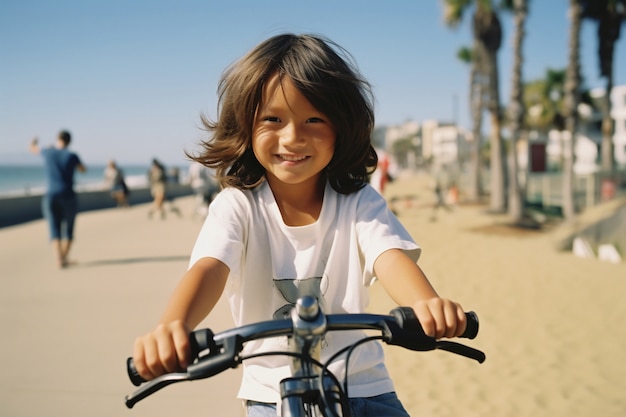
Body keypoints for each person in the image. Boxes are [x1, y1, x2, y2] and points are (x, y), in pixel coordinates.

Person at [132, 34, 468, 417]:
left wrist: (424, 302)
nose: (293, 137)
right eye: (272, 119)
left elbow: (388, 256)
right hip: (271, 395)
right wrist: (172, 325)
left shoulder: (358, 202)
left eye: (314, 119)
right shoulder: (237, 207)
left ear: (342, 127)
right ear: (244, 124)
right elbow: (209, 268)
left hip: (363, 385)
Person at [29, 130, 86, 268]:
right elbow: (83, 170)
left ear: (57, 139)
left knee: (54, 228)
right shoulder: (72, 156)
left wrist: (34, 141)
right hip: (68, 195)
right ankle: (64, 257)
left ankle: (59, 258)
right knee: (69, 229)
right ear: (69, 141)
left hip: (51, 195)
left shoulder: (48, 152)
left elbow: (32, 148)